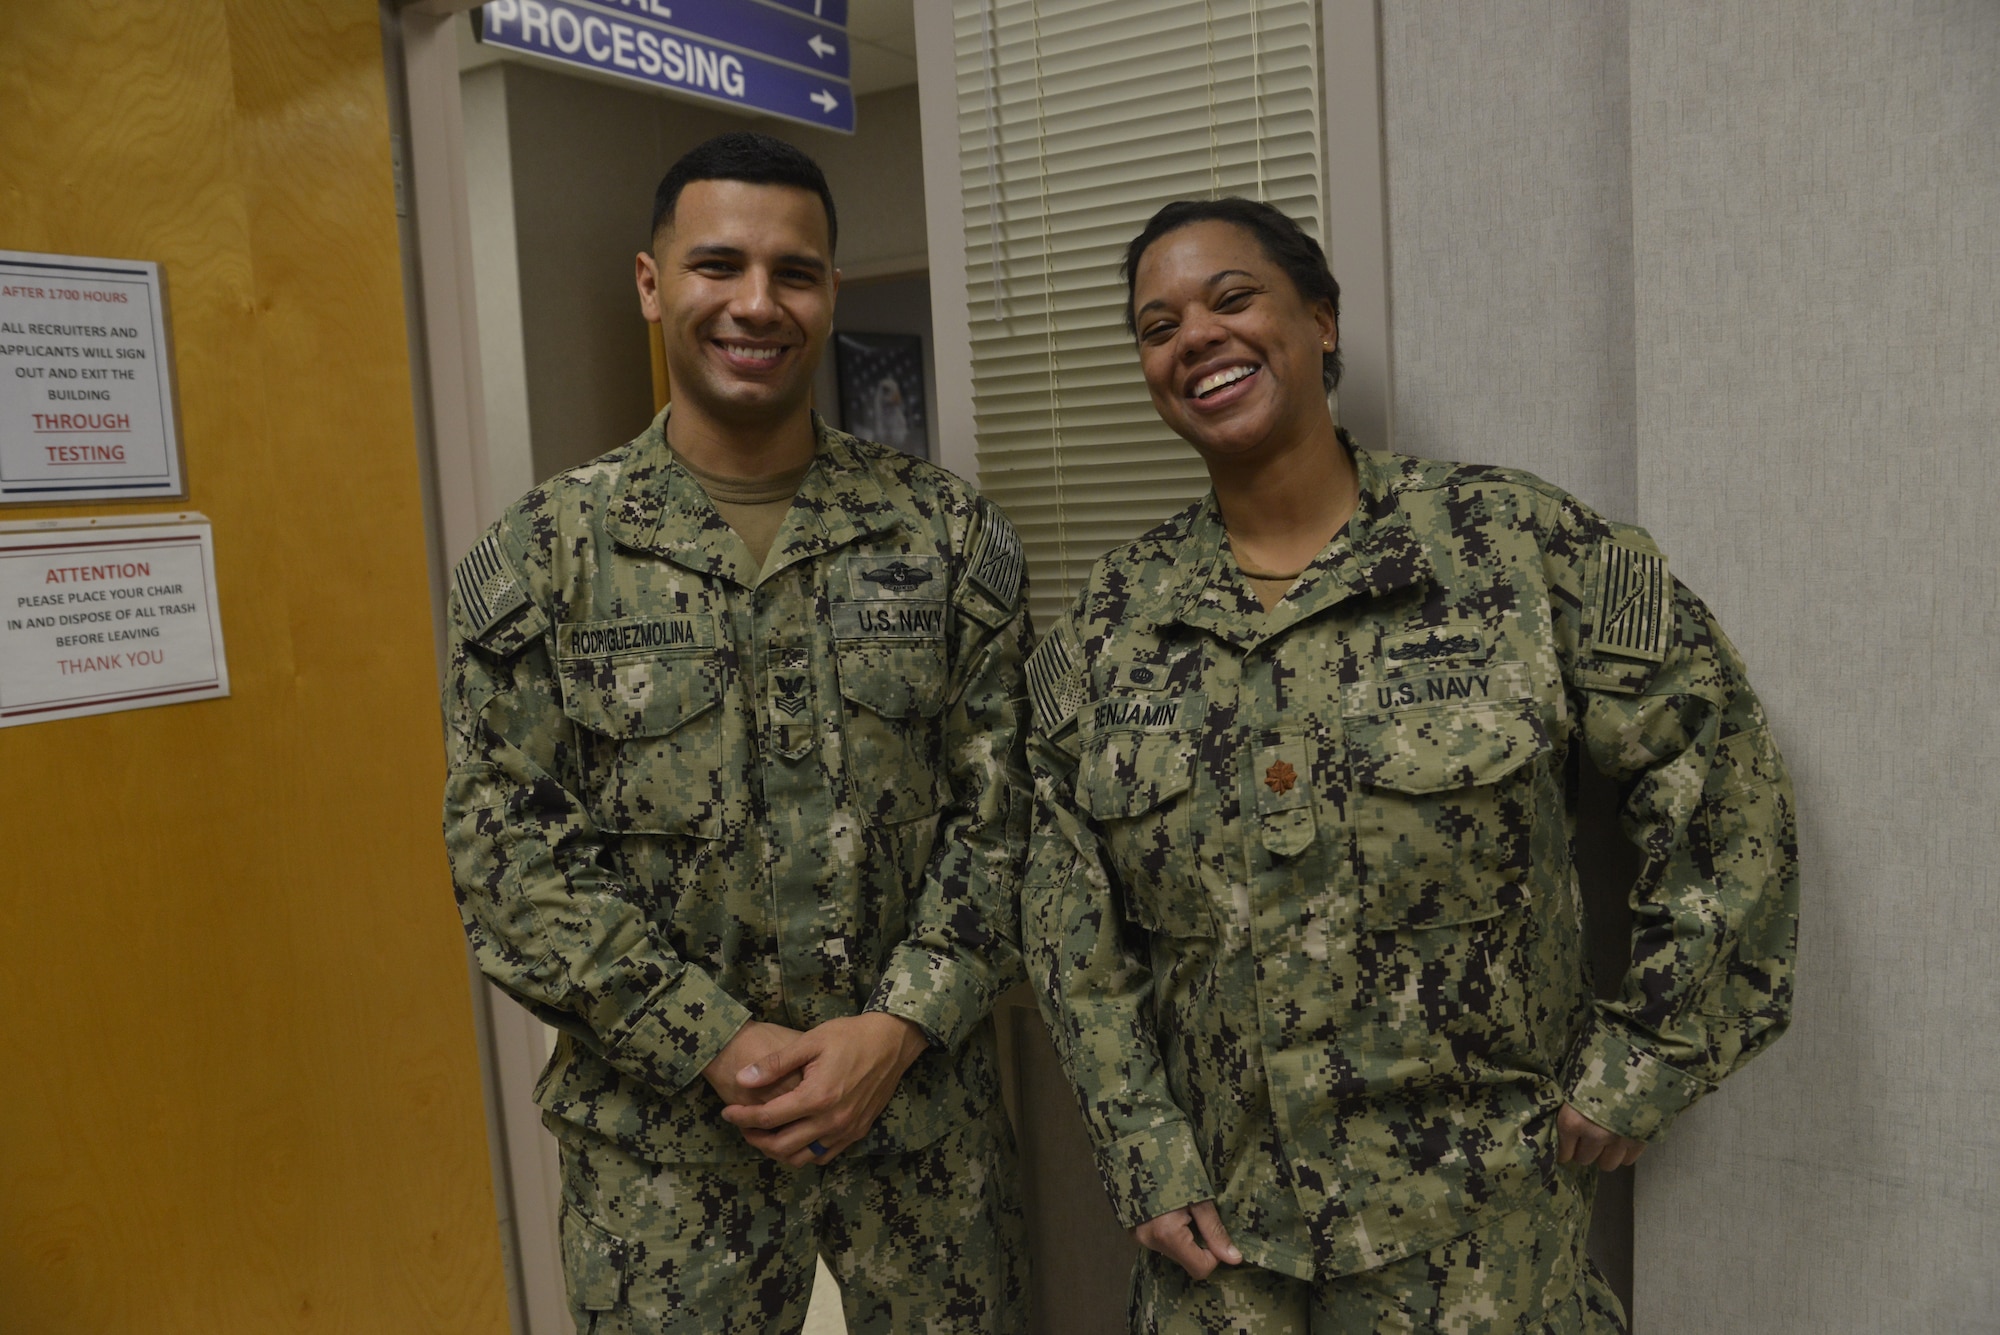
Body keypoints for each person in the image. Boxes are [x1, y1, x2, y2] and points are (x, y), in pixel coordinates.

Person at [1020, 197, 1798, 1333]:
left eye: (1231, 299)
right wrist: (1138, 1144)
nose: (1193, 337)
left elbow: (1721, 779)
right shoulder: (1109, 623)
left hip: (1481, 1256)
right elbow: (1062, 908)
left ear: (1320, 323)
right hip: (1222, 1262)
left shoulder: (1513, 549)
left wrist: (1652, 1054)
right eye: (1156, 326)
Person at [441, 132, 1032, 1334]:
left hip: (920, 1141)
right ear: (653, 284)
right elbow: (510, 860)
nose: (757, 303)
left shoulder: (943, 536)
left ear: (827, 292)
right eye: (718, 265)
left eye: (795, 272)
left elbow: (1015, 816)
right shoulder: (549, 557)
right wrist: (713, 1041)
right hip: (663, 1170)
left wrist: (898, 1023)